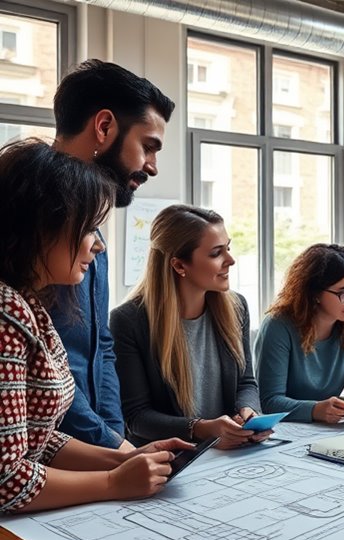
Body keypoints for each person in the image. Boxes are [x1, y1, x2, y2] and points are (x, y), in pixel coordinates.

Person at [0, 139, 187, 514]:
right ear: (41, 227)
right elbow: (6, 481)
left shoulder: (30, 303)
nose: (98, 247)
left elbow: (39, 438)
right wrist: (113, 482)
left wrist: (120, 460)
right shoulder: (6, 312)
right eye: (88, 229)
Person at [49, 60, 175, 451]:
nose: (152, 167)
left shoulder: (92, 231)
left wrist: (114, 436)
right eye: (148, 147)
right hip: (37, 456)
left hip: (96, 449)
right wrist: (110, 446)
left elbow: (99, 344)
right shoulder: (27, 226)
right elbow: (50, 363)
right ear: (104, 127)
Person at [111, 205, 268, 449]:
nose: (231, 260)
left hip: (230, 453)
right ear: (179, 266)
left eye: (228, 248)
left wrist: (250, 413)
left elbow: (246, 383)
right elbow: (137, 417)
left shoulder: (237, 307)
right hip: (169, 460)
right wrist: (202, 428)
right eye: (216, 253)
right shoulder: (128, 321)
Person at [256, 244, 344, 423]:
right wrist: (315, 410)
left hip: (327, 427)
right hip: (285, 430)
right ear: (315, 294)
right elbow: (269, 401)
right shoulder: (278, 325)